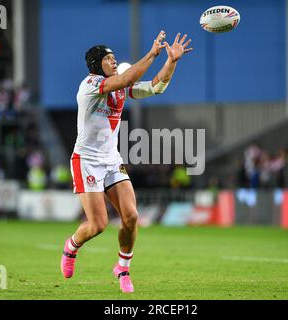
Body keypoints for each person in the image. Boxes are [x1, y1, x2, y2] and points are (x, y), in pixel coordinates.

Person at [60, 30, 193, 293]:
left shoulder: (120, 87)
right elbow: (126, 78)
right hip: (86, 160)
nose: (114, 61)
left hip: (111, 161)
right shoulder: (89, 86)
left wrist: (171, 61)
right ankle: (71, 246)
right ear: (97, 64)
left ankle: (123, 267)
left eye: (114, 58)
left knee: (131, 216)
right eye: (109, 59)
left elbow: (156, 86)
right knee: (97, 225)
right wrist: (153, 53)